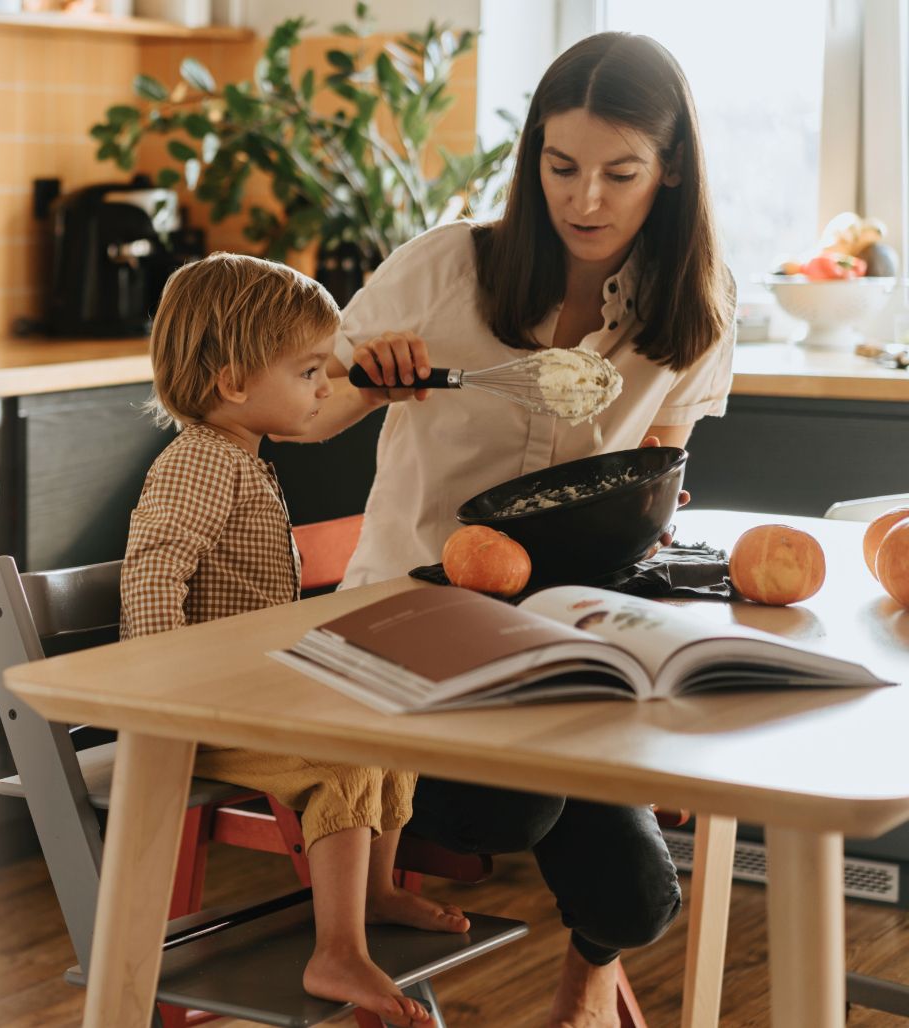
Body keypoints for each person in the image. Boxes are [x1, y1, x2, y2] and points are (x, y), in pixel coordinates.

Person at [285, 32, 736, 1027]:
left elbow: (656, 468)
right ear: (533, 159)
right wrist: (361, 374)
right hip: (405, 628)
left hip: (559, 633)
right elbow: (301, 411)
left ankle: (584, 985)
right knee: (508, 808)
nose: (586, 201)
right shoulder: (446, 270)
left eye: (621, 173)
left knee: (641, 895)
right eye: (562, 166)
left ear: (669, 173)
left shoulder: (693, 311)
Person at [120, 252, 469, 1028]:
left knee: (385, 725)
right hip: (198, 715)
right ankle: (336, 947)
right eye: (309, 370)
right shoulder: (201, 466)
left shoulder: (239, 458)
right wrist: (164, 691)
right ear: (237, 383)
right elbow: (151, 573)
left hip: (242, 697)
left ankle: (375, 894)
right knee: (342, 754)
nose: (324, 386)